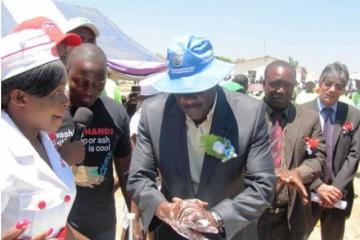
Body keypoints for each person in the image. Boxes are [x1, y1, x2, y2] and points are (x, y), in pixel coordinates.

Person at [127, 35, 276, 240]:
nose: (187, 99)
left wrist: (216, 217)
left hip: (230, 233)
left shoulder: (249, 115)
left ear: (214, 80)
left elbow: (263, 186)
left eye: (196, 88)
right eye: (179, 90)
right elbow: (138, 178)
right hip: (174, 233)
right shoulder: (153, 114)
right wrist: (165, 209)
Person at [1, 26, 80, 239]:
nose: (66, 101)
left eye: (64, 90)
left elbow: (59, 226)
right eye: (56, 92)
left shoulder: (41, 141)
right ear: (19, 98)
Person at [53, 43, 132, 240]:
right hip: (58, 223)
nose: (89, 91)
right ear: (66, 73)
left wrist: (133, 215)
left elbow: (126, 172)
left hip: (101, 224)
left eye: (99, 84)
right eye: (81, 82)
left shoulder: (116, 113)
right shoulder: (48, 111)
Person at [257, 61, 326, 240]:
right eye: (275, 84)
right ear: (264, 84)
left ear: (295, 86)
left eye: (287, 85)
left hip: (289, 217)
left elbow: (318, 157)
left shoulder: (309, 119)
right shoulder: (247, 114)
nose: (281, 90)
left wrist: (297, 173)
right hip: (251, 214)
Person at [304, 62, 360, 240]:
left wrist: (335, 189)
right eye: (328, 84)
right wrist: (317, 186)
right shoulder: (301, 111)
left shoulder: (353, 115)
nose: (332, 89)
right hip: (307, 191)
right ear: (320, 83)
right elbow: (296, 153)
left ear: (344, 89)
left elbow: (354, 154)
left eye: (339, 86)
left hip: (338, 194)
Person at [65, 16, 123, 104]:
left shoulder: (111, 88)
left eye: (91, 40)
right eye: (78, 39)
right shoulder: (50, 84)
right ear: (63, 44)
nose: (85, 45)